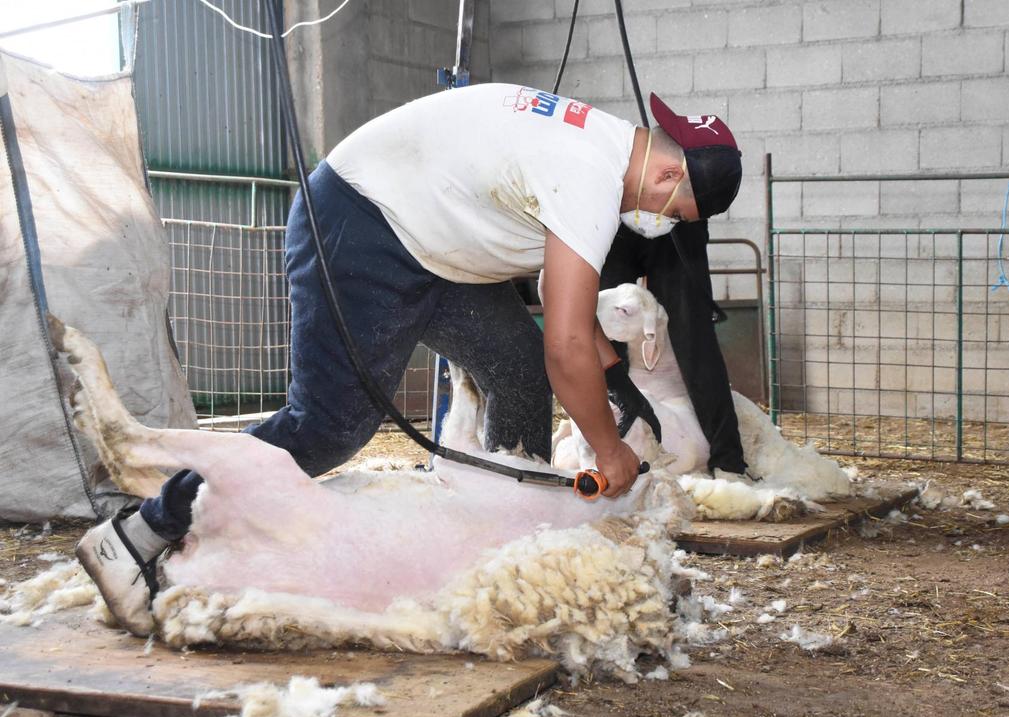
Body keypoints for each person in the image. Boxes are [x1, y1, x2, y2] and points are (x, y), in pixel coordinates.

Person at [75, 84, 743, 636]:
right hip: (359, 222)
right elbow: (566, 345)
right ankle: (138, 535)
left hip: (431, 246)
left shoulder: (598, 144)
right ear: (664, 174)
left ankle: (500, 555)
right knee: (329, 426)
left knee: (515, 364)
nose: (661, 222)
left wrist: (612, 375)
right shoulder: (591, 176)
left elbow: (558, 298)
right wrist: (608, 448)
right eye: (674, 212)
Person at [600, 221, 748, 475]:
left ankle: (728, 462)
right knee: (598, 326)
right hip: (611, 217)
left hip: (672, 220)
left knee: (693, 335)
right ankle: (606, 455)